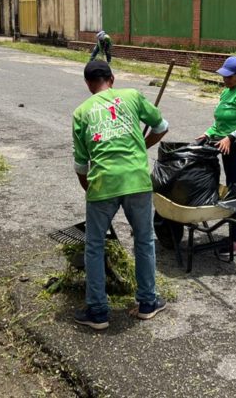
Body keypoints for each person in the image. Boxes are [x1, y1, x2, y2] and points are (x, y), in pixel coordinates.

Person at [72, 60, 169, 330]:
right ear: (111, 79)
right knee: (144, 241)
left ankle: (98, 312)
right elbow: (162, 127)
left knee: (94, 245)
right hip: (137, 180)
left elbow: (81, 163)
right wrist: (142, 145)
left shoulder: (82, 112)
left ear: (88, 84)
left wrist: (88, 188)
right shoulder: (132, 96)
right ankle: (148, 303)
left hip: (103, 184)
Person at [196, 56, 236, 258]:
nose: (225, 79)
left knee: (235, 193)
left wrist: (231, 138)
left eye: (229, 77)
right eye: (224, 76)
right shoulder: (227, 92)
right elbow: (220, 121)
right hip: (228, 147)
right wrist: (208, 132)